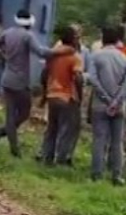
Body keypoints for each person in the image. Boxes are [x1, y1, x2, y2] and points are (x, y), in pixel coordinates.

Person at [0, 9, 72, 157]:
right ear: (30, 22)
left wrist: (3, 55)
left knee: (10, 114)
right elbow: (40, 52)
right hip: (20, 82)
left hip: (7, 78)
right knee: (24, 113)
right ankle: (13, 148)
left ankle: (3, 135)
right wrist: (61, 51)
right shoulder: (27, 36)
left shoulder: (8, 33)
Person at [89, 26, 126, 185]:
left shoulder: (96, 56)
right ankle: (117, 176)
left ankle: (97, 174)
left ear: (103, 39)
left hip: (100, 106)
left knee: (99, 140)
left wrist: (107, 99)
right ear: (116, 40)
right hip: (120, 107)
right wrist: (116, 102)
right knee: (117, 142)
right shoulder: (124, 58)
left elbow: (93, 80)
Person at [39, 25, 83, 165]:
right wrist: (79, 96)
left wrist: (45, 93)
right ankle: (61, 159)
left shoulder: (52, 55)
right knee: (67, 130)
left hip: (52, 95)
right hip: (68, 97)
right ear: (73, 40)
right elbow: (78, 78)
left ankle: (46, 157)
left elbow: (44, 75)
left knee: (51, 128)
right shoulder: (75, 57)